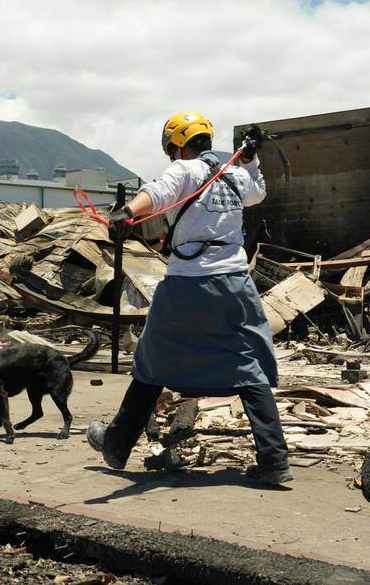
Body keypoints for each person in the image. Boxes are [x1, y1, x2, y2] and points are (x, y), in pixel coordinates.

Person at [85, 111, 292, 485]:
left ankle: (116, 445)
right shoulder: (236, 175)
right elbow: (258, 191)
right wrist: (252, 160)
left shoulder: (186, 170)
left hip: (187, 283)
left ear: (178, 145)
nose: (172, 156)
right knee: (249, 364)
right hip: (234, 282)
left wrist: (125, 213)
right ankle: (274, 459)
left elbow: (159, 192)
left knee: (152, 362)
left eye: (171, 149)